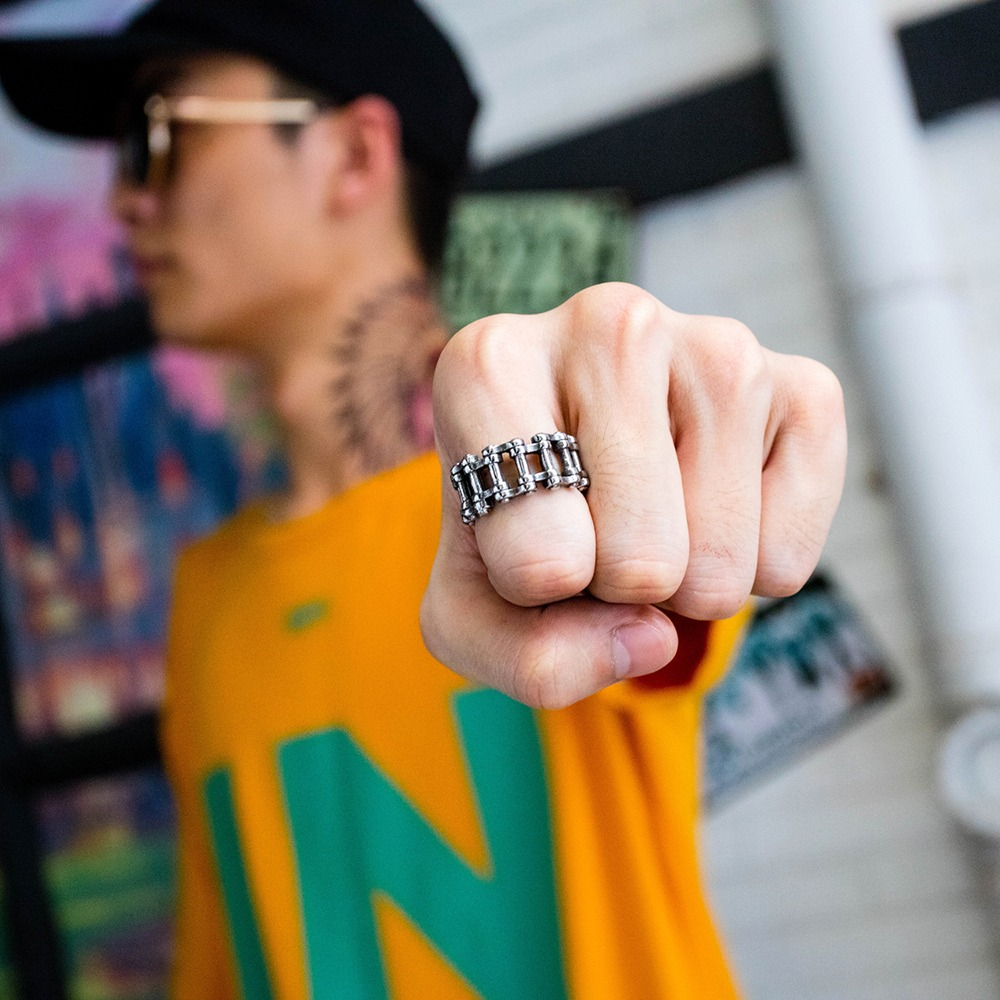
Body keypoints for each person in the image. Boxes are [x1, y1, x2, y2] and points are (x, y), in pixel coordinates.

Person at [0, 0, 846, 997]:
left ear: (356, 155)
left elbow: (681, 556)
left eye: (161, 135)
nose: (125, 202)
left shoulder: (571, 502)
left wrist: (655, 405)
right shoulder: (207, 597)